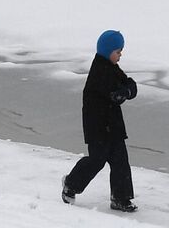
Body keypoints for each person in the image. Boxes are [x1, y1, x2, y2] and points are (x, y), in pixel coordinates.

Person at [62, 29, 139, 212]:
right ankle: (71, 184)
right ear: (107, 51)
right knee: (97, 160)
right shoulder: (99, 72)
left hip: (113, 126)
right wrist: (120, 94)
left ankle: (120, 198)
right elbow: (112, 95)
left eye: (121, 51)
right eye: (118, 52)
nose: (120, 55)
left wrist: (127, 90)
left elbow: (129, 84)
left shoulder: (112, 68)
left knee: (120, 161)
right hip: (97, 127)